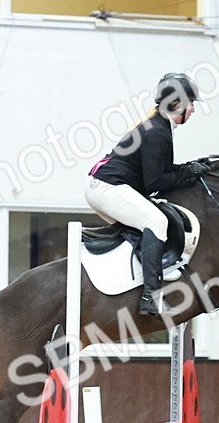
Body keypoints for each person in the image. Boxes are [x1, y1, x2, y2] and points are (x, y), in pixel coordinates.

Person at [85, 72, 208, 315]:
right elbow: (155, 182)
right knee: (156, 221)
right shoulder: (157, 132)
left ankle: (128, 285)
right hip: (108, 188)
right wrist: (187, 172)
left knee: (144, 227)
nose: (193, 109)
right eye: (191, 103)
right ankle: (151, 296)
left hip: (105, 187)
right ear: (178, 104)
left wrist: (190, 169)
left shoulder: (160, 126)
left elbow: (163, 171)